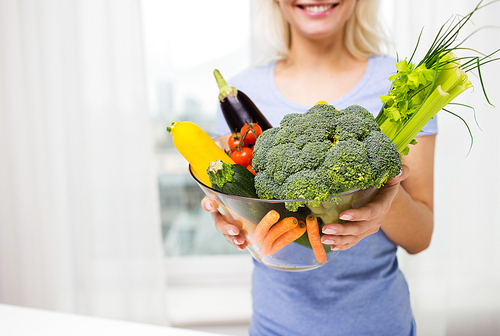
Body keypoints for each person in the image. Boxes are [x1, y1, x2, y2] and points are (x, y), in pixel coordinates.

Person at [201, 0, 436, 335]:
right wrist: (230, 214)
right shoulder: (241, 93)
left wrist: (382, 190)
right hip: (276, 327)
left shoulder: (402, 83)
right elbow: (250, 221)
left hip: (380, 325)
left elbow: (420, 237)